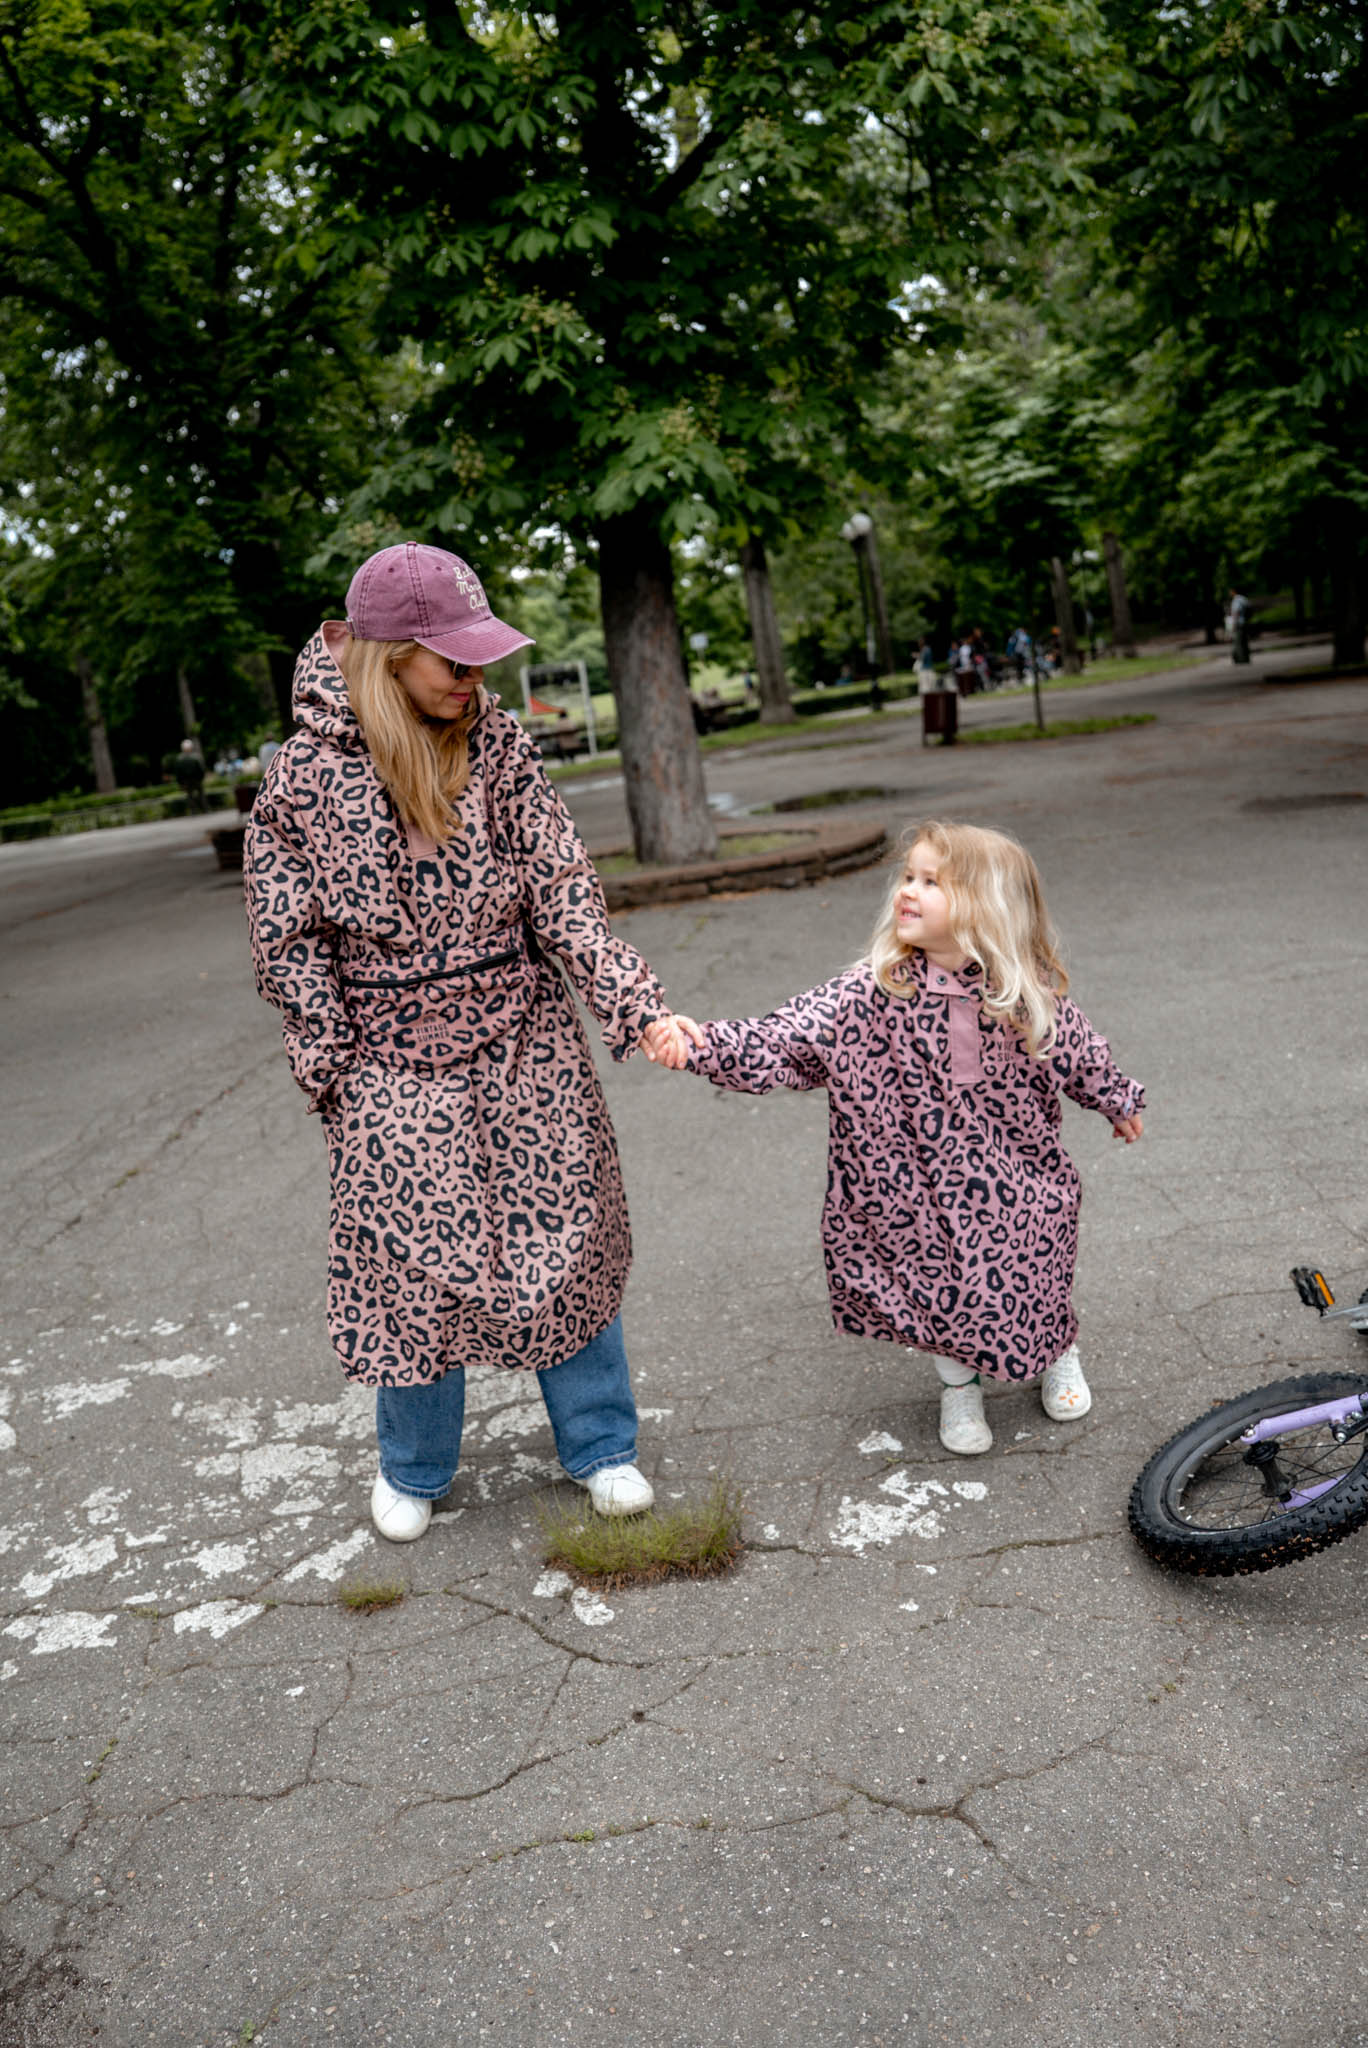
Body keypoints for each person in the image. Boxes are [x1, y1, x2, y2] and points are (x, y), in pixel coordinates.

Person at [244, 541, 669, 1543]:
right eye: (454, 662)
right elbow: (286, 937)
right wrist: (334, 1070)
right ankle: (416, 1464)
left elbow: (564, 890)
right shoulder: (301, 779)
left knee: (566, 1239)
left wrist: (632, 1003)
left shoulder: (501, 745)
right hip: (388, 1062)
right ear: (390, 657)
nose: (475, 680)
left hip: (523, 1039)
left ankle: (602, 1445)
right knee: (408, 1269)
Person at [644, 821, 1144, 1457]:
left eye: (932, 881)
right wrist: (699, 1044)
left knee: (1034, 1260)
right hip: (911, 1181)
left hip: (1013, 1172)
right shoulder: (871, 992)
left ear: (987, 906)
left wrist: (1116, 1098)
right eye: (908, 876)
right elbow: (784, 1037)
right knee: (935, 1281)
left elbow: (1075, 1049)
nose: (908, 890)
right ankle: (959, 1384)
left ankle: (1056, 1350)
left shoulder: (1021, 995)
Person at [1227, 586, 1251, 665]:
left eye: (1230, 591)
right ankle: (1246, 658)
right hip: (1244, 622)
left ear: (1234, 591)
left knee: (1238, 641)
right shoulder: (1244, 599)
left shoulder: (1236, 600)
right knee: (1244, 641)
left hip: (1238, 623)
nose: (1229, 593)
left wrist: (1233, 624)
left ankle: (1241, 659)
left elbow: (1236, 612)